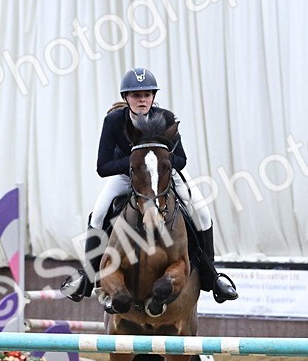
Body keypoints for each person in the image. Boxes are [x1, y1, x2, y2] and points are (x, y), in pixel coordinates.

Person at [60, 67, 238, 305]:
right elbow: (103, 167)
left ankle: (211, 277)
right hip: (128, 176)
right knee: (99, 212)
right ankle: (88, 277)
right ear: (126, 98)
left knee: (202, 213)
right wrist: (138, 163)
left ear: (153, 96)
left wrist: (157, 162)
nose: (141, 99)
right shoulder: (113, 121)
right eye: (135, 95)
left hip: (163, 176)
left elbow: (182, 160)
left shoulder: (166, 118)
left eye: (146, 94)